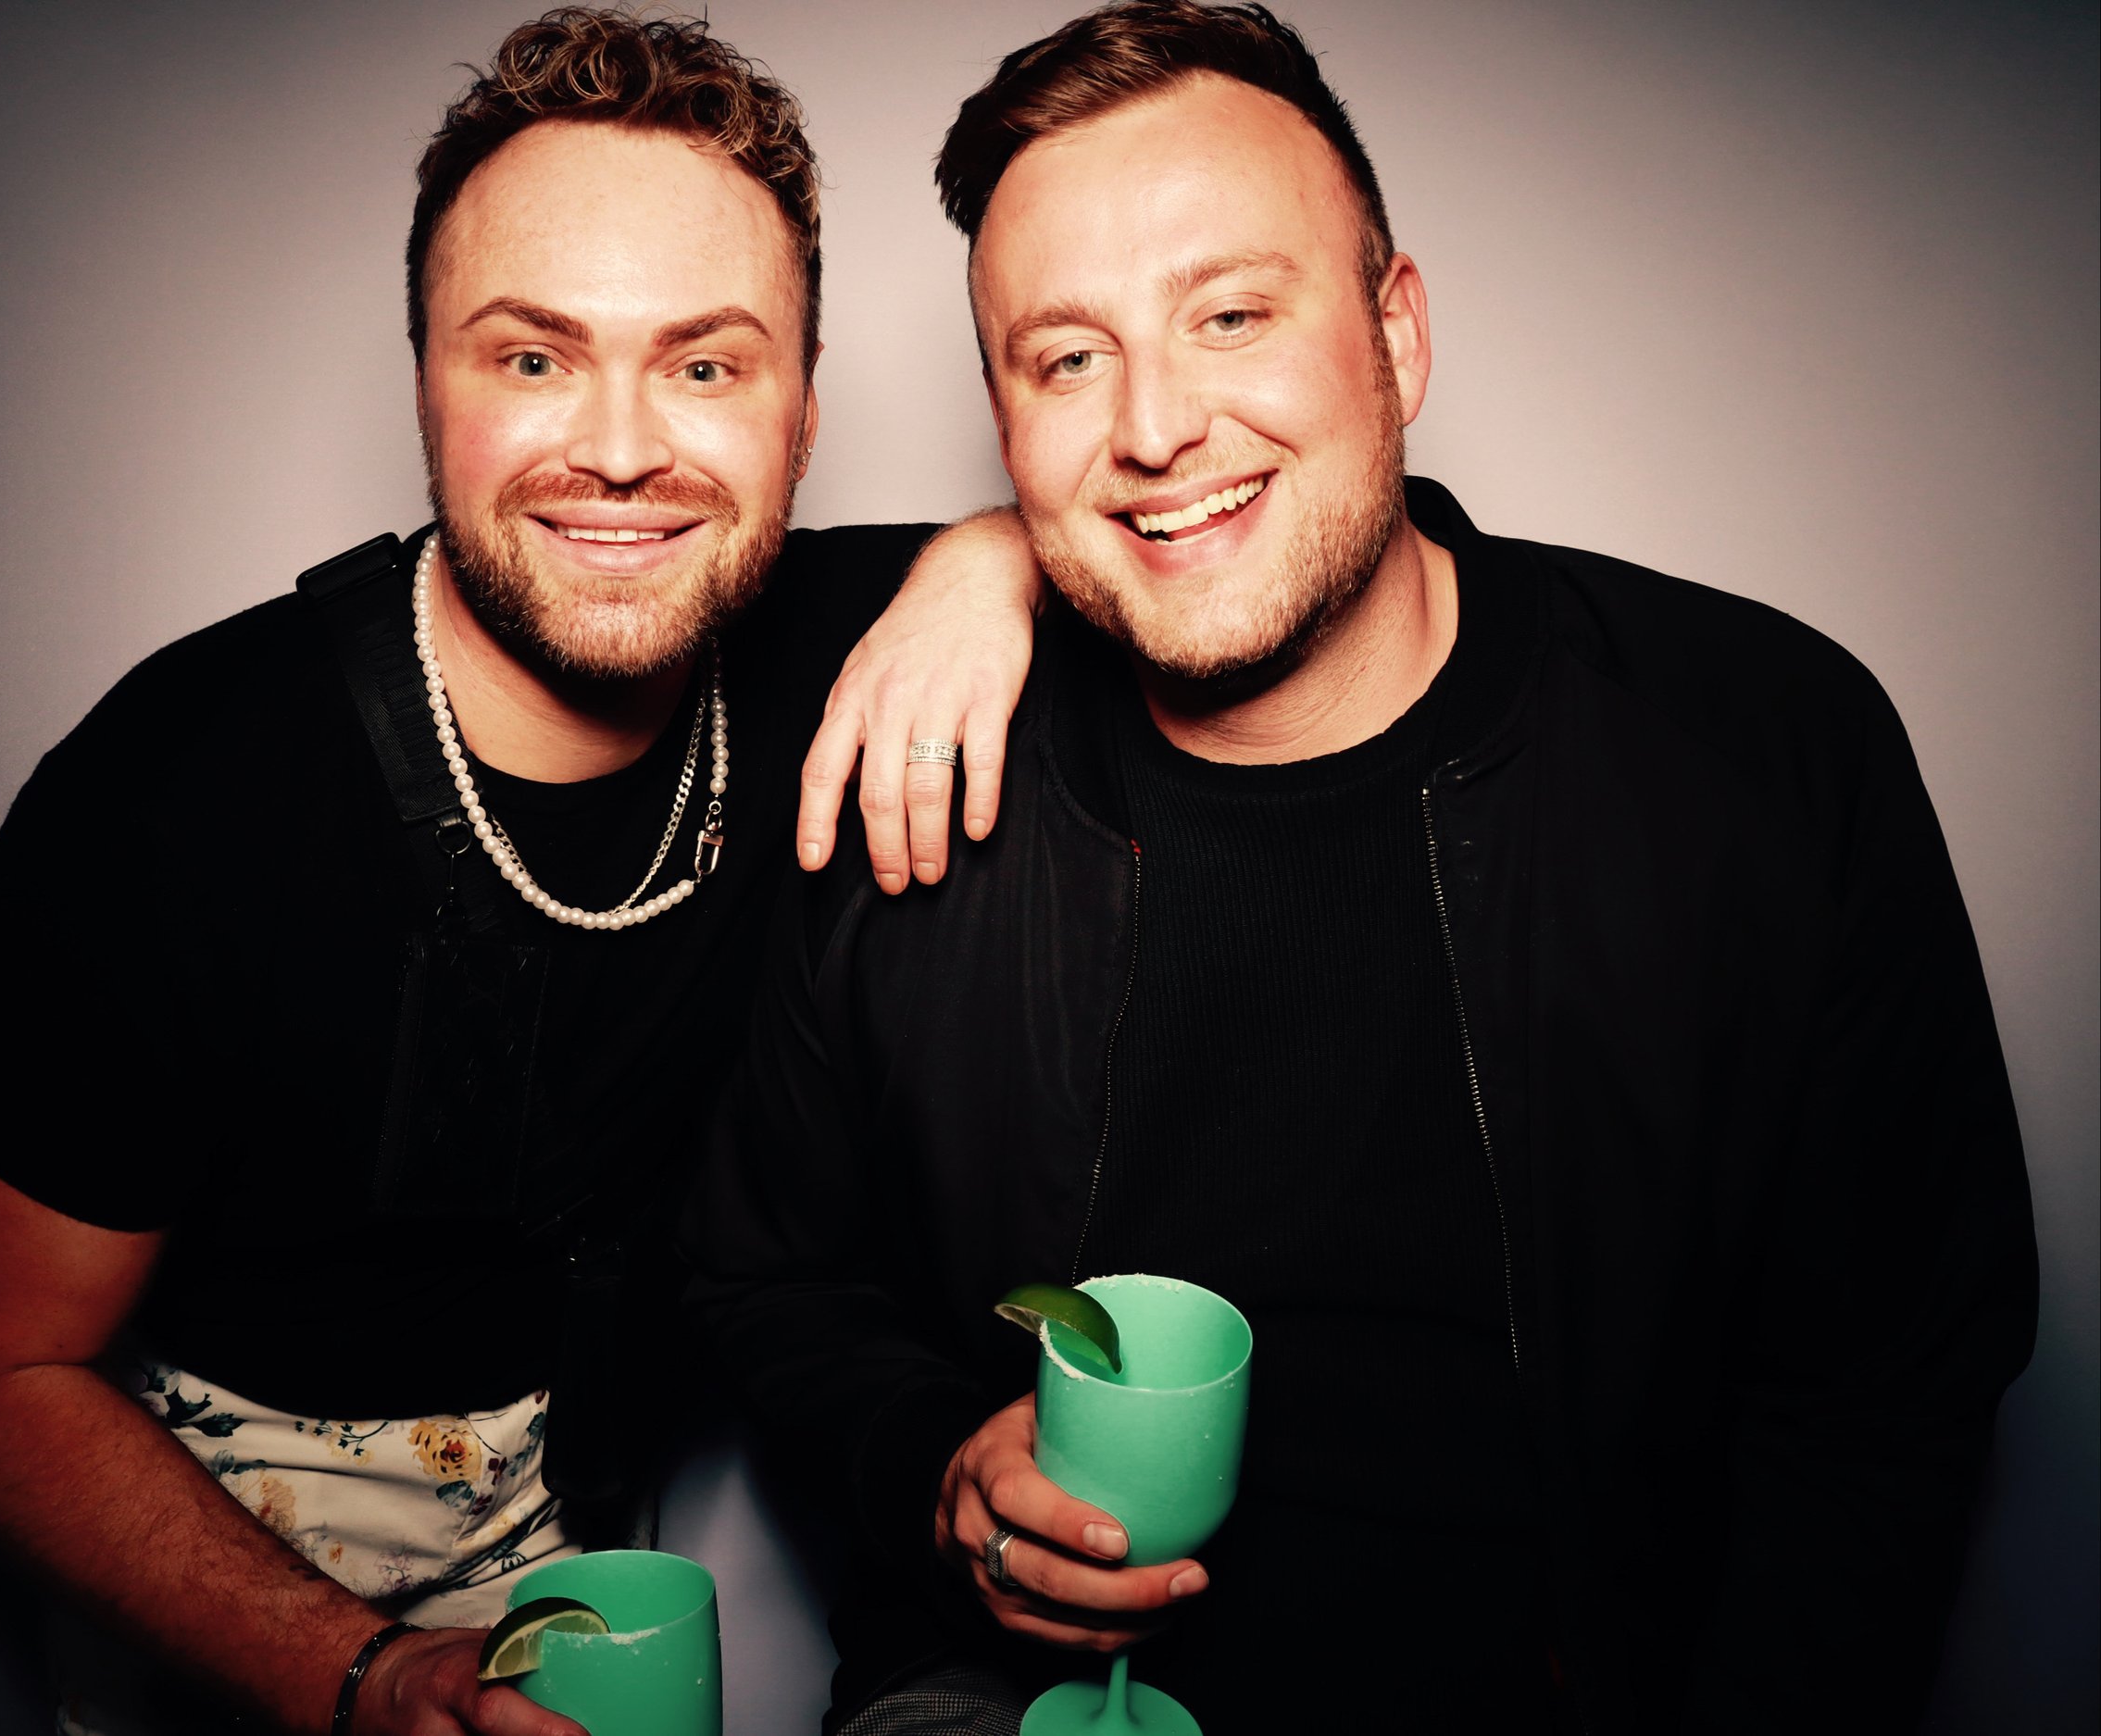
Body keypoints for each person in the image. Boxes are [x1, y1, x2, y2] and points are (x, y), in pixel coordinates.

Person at [682, 4, 2040, 1731]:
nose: (1154, 427)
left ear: (1395, 332)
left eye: (1232, 316)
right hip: (1017, 1693)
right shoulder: (916, 752)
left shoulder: (1763, 747)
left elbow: (1887, 1387)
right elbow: (764, 1275)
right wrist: (934, 1463)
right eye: (1068, 358)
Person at [0, 11, 1044, 1736]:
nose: (623, 449)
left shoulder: (845, 654)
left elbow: (1203, 517)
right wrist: (358, 1675)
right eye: (531, 358)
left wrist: (988, 563)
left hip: (592, 1564)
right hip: (230, 1611)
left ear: (806, 411)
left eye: (708, 367)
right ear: (426, 380)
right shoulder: (171, 792)